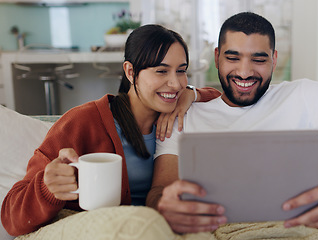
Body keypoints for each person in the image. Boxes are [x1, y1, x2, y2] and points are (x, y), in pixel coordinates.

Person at [149, 12, 318, 234]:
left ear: (274, 59)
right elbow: (159, 190)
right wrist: (165, 204)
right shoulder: (184, 117)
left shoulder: (308, 96)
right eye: (233, 57)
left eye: (259, 59)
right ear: (217, 57)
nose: (244, 72)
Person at [1, 24, 221, 236]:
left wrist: (193, 93)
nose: (175, 84)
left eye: (181, 71)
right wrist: (46, 189)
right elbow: (11, 217)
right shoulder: (82, 122)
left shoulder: (179, 115)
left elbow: (226, 104)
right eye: (161, 71)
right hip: (100, 229)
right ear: (130, 71)